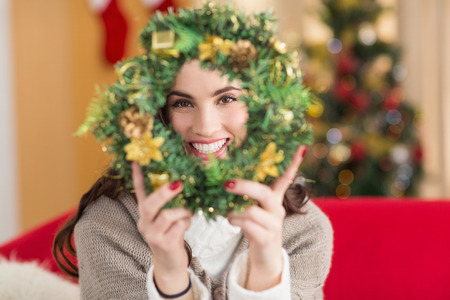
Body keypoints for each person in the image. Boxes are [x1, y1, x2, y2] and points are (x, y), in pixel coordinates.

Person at [53, 3, 333, 300]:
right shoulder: (108, 227)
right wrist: (170, 277)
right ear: (158, 113)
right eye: (182, 103)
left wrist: (265, 271)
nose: (206, 127)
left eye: (227, 98)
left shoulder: (303, 230)